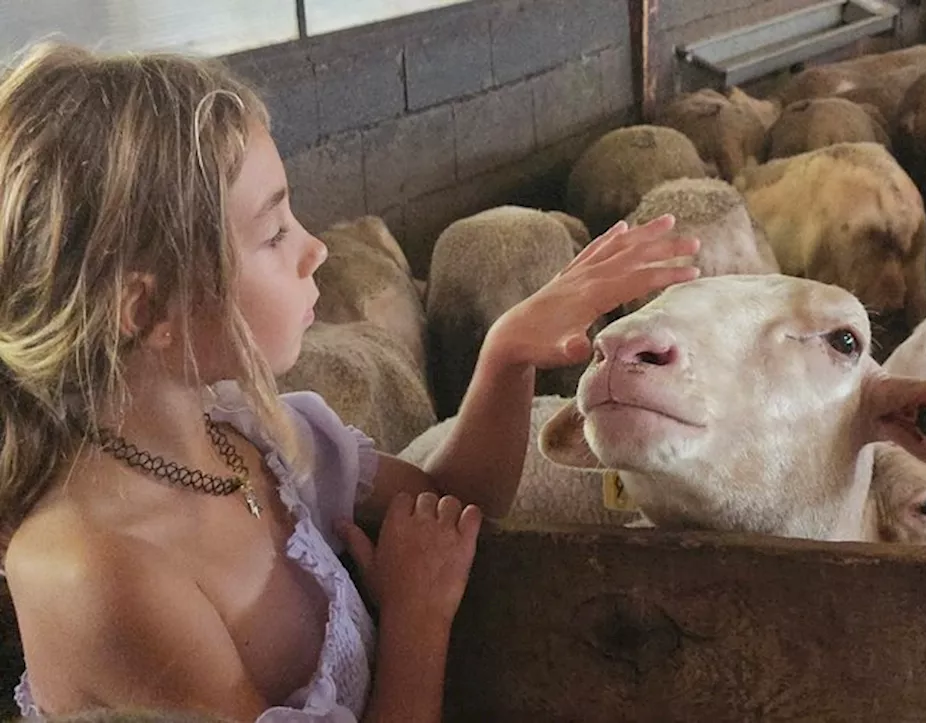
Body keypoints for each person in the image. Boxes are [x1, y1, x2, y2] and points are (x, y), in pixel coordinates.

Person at [0, 42, 700, 722]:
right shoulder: (94, 571)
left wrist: (507, 352)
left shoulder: (252, 436)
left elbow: (451, 506)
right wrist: (416, 620)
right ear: (146, 308)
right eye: (274, 233)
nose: (316, 248)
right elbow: (426, 574)